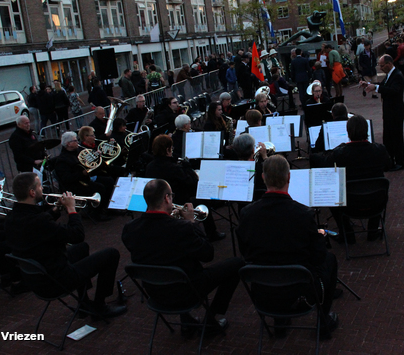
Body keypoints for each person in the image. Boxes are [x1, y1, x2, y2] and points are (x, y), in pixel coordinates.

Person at [122, 179, 243, 335]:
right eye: (171, 196)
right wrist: (192, 223)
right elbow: (208, 254)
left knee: (173, 263)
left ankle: (187, 321)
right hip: (188, 292)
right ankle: (210, 320)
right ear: (166, 198)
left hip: (155, 293)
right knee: (236, 264)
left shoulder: (129, 229)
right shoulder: (182, 228)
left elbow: (156, 247)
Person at [236, 155, 339, 338]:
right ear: (289, 178)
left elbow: (246, 251)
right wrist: (319, 238)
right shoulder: (303, 214)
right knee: (330, 260)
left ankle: (279, 323)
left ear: (263, 178)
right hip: (299, 290)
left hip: (263, 292)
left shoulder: (247, 213)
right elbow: (318, 257)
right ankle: (323, 322)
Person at [6, 172, 126, 317]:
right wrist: (71, 210)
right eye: (39, 186)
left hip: (37, 276)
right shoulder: (39, 222)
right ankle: (100, 307)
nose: (42, 189)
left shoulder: (12, 218)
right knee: (111, 254)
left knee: (81, 249)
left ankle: (83, 303)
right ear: (32, 192)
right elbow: (77, 235)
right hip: (56, 278)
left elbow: (40, 224)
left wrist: (56, 210)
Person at [325, 115, 392, 243]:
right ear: (366, 131)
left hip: (349, 204)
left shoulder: (340, 153)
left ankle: (347, 233)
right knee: (379, 186)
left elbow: (327, 166)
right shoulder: (379, 150)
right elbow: (388, 167)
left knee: (331, 196)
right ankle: (372, 231)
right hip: (376, 202)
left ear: (348, 132)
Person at [145, 135, 224, 241]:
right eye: (171, 148)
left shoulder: (150, 166)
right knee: (201, 199)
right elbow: (193, 184)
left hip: (157, 201)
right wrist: (188, 168)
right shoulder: (174, 168)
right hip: (179, 201)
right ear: (168, 149)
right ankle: (211, 232)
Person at [54, 131, 114, 221]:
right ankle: (96, 213)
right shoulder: (62, 160)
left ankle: (105, 207)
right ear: (68, 144)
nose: (78, 142)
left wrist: (96, 156)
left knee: (109, 181)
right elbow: (66, 178)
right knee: (100, 187)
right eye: (75, 141)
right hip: (76, 185)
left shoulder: (78, 151)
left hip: (85, 179)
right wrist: (82, 174)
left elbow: (88, 162)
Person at [361, 55, 404, 171]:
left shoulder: (397, 76)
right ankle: (390, 160)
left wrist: (375, 88)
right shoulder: (390, 75)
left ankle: (400, 162)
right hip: (389, 112)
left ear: (389, 64)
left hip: (395, 113)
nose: (380, 68)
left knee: (396, 138)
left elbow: (394, 91)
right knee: (388, 138)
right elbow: (384, 86)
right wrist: (371, 85)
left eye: (382, 65)